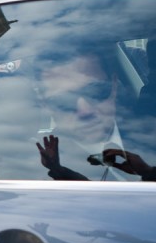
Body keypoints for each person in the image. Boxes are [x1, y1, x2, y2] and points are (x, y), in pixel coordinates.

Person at [34, 52, 143, 181]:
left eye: (96, 91)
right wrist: (57, 169)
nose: (85, 111)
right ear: (45, 105)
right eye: (64, 101)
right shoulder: (27, 171)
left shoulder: (148, 136)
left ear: (114, 85)